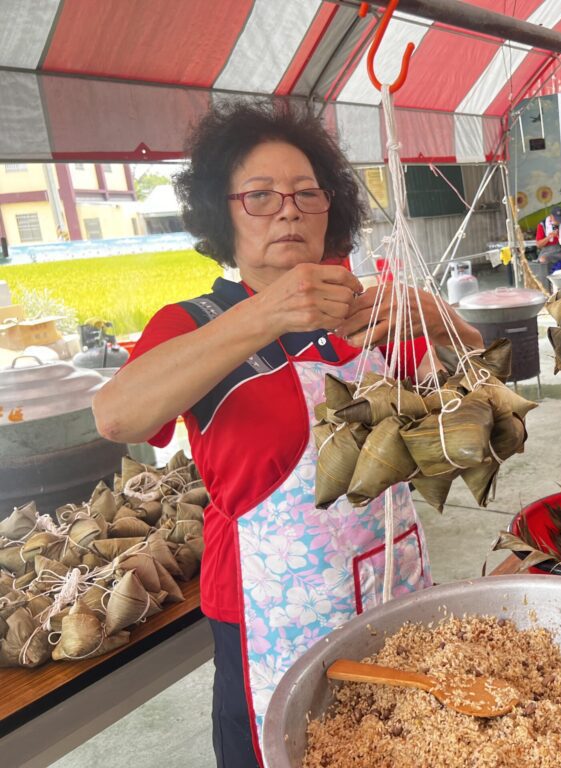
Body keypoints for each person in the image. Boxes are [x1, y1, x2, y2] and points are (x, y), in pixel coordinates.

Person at [92, 103, 482, 767]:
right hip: (272, 617)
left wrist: (444, 320)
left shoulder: (372, 306)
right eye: (260, 196)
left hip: (397, 591)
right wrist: (265, 313)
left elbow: (478, 404)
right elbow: (117, 416)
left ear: (331, 208)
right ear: (223, 212)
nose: (288, 211)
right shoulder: (195, 325)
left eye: (307, 193)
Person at [535, 205, 561, 271]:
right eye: (556, 219)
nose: (558, 221)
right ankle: (546, 279)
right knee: (542, 259)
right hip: (548, 251)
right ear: (551, 216)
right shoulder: (542, 225)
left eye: (559, 219)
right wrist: (549, 237)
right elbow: (538, 245)